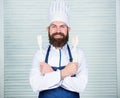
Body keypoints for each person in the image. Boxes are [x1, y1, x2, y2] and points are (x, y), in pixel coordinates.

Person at [29, 0, 88, 98]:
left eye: (62, 26)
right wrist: (64, 73)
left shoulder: (78, 54)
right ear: (48, 29)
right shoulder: (40, 55)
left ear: (68, 30)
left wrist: (51, 74)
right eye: (54, 26)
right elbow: (35, 85)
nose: (58, 31)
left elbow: (81, 86)